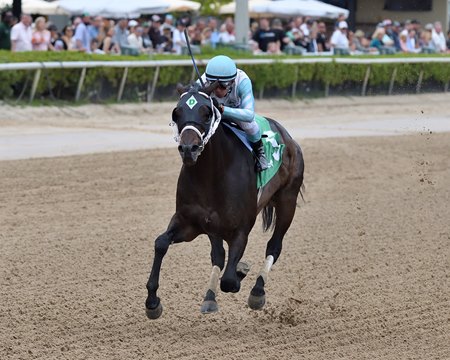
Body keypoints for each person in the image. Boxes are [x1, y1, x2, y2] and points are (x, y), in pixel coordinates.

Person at [200, 55, 268, 172]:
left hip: (236, 111)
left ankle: (260, 152)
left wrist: (222, 109)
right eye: (214, 86)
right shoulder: (202, 81)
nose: (217, 91)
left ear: (232, 81)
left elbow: (249, 115)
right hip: (212, 111)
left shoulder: (243, 81)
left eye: (223, 86)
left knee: (250, 125)